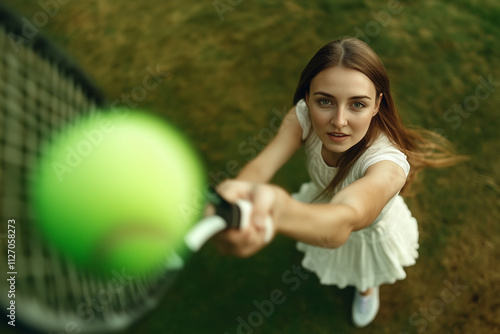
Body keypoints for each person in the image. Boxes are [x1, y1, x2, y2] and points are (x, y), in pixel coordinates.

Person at [213, 37, 464, 328]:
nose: (339, 121)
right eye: (325, 101)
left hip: (366, 237)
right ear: (307, 97)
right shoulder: (302, 116)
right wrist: (234, 200)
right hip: (319, 207)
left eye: (357, 104)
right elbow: (259, 167)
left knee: (363, 271)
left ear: (377, 105)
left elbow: (344, 220)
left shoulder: (389, 166)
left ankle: (367, 289)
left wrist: (279, 211)